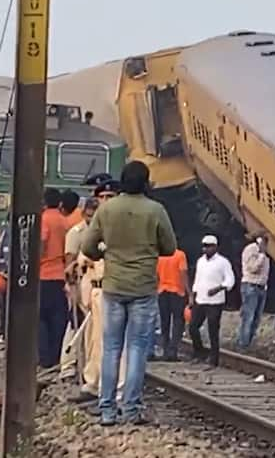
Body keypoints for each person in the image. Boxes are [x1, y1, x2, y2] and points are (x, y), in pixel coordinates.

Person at [83, 160, 177, 426]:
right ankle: (132, 409)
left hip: (113, 286)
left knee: (111, 348)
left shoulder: (107, 209)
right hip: (144, 288)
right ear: (146, 182)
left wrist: (108, 252)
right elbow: (169, 248)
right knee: (136, 348)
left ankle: (107, 410)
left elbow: (89, 247)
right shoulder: (155, 210)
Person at [68, 185, 126, 406]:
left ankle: (114, 390)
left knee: (110, 341)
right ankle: (92, 383)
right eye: (101, 197)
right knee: (93, 340)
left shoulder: (120, 225)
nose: (105, 200)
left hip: (110, 286)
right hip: (92, 288)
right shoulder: (95, 227)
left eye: (110, 196)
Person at [60, 198, 98, 380]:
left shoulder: (100, 231)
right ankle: (67, 365)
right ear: (83, 214)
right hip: (79, 283)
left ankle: (86, 366)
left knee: (90, 329)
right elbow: (69, 261)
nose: (91, 218)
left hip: (94, 285)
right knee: (75, 324)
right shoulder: (76, 232)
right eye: (89, 214)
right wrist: (71, 287)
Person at [189, 235, 235, 367]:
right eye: (204, 246)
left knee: (213, 330)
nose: (206, 248)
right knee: (193, 327)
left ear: (215, 247)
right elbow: (197, 279)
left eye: (209, 246)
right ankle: (199, 352)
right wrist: (192, 296)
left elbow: (230, 280)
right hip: (200, 299)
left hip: (215, 302)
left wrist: (219, 288)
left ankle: (214, 359)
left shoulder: (223, 262)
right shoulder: (200, 261)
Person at [40, 189, 69, 369]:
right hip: (61, 275)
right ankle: (57, 356)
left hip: (44, 274)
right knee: (58, 319)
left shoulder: (44, 219)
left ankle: (45, 358)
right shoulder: (64, 221)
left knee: (41, 318)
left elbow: (42, 242)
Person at [156, 248, 190, 361]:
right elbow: (183, 273)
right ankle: (173, 351)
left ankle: (165, 351)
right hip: (177, 292)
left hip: (162, 291)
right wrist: (189, 292)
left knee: (164, 323)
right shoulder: (180, 255)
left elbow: (155, 274)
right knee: (178, 322)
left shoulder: (160, 256)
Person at [238, 233, 270, 348]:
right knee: (248, 317)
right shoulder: (251, 250)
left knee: (256, 318)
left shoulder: (264, 252)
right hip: (251, 286)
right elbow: (253, 268)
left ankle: (248, 343)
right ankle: (243, 344)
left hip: (261, 287)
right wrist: (261, 254)